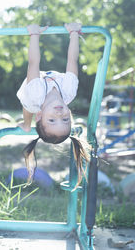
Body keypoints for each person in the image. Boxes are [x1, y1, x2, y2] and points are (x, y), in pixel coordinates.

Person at [16, 23, 91, 189]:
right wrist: (73, 33)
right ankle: (28, 124)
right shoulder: (69, 91)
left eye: (52, 120)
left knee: (28, 105)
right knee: (33, 106)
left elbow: (33, 63)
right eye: (65, 119)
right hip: (51, 81)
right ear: (69, 113)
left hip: (32, 92)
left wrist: (34, 35)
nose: (59, 115)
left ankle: (27, 124)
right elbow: (73, 60)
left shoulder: (35, 94)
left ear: (41, 116)